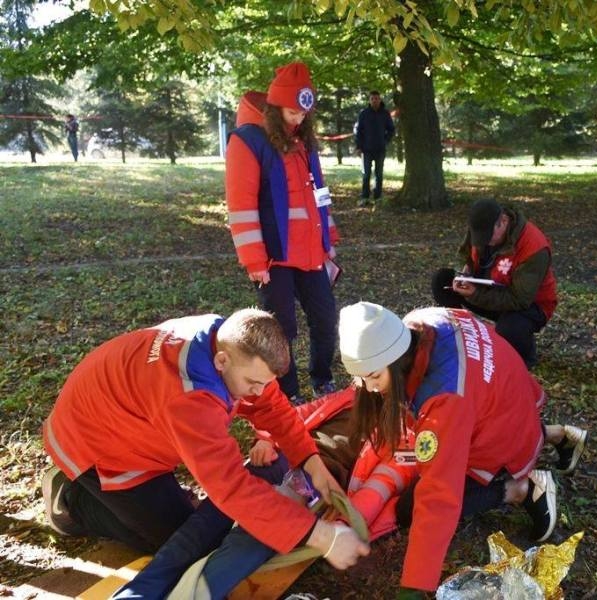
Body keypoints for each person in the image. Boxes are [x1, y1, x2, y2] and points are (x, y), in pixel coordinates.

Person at [40, 308, 369, 571]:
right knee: (179, 544)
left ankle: (124, 496)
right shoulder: (189, 399)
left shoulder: (226, 342)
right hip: (93, 443)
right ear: (222, 361)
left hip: (132, 426)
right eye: (253, 382)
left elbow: (275, 410)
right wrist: (321, 537)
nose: (259, 391)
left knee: (193, 528)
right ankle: (70, 502)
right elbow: (230, 486)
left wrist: (313, 466)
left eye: (264, 382)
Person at [338, 302, 587, 597]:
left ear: (396, 359)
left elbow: (438, 498)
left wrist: (415, 586)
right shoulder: (420, 322)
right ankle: (555, 434)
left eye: (374, 377)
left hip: (502, 433)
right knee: (483, 421)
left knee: (410, 509)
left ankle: (522, 488)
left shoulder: (444, 401)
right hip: (511, 399)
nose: (368, 388)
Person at [112, 385, 413, 599]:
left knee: (254, 535)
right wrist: (266, 440)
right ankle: (138, 592)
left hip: (319, 484)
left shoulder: (404, 435)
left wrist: (346, 525)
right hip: (285, 457)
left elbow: (381, 488)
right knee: (209, 521)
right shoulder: (350, 395)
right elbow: (290, 416)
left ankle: (195, 594)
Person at [226, 61, 341, 402]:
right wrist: (254, 261)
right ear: (276, 108)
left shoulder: (304, 140)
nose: (299, 119)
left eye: (305, 113)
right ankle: (288, 392)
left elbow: (319, 193)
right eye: (293, 112)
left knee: (325, 318)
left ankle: (322, 379)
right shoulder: (248, 140)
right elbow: (241, 205)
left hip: (311, 253)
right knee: (281, 330)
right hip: (275, 257)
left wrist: (328, 240)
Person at [431, 198, 558, 368]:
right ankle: (462, 336)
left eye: (489, 239)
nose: (486, 243)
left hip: (530, 305)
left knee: (510, 327)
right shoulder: (482, 227)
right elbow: (468, 253)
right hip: (491, 287)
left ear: (503, 221)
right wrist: (467, 270)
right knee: (442, 280)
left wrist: (475, 295)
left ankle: (525, 355)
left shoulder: (534, 248)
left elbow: (520, 299)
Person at [353, 90, 395, 207]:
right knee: (366, 174)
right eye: (372, 99)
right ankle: (365, 197)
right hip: (366, 150)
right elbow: (358, 131)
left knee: (379, 174)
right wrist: (358, 146)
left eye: (376, 98)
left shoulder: (385, 114)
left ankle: (377, 197)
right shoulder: (364, 114)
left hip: (380, 149)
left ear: (380, 100)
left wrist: (385, 141)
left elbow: (391, 129)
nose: (375, 100)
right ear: (369, 100)